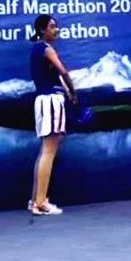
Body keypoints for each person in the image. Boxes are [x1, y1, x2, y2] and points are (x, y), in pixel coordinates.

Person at [28, 14, 77, 216]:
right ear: (42, 30)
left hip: (43, 100)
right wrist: (73, 92)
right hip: (50, 100)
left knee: (45, 151)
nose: (56, 30)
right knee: (49, 151)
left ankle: (36, 199)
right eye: (52, 26)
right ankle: (40, 202)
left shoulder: (36, 49)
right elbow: (63, 72)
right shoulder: (46, 49)